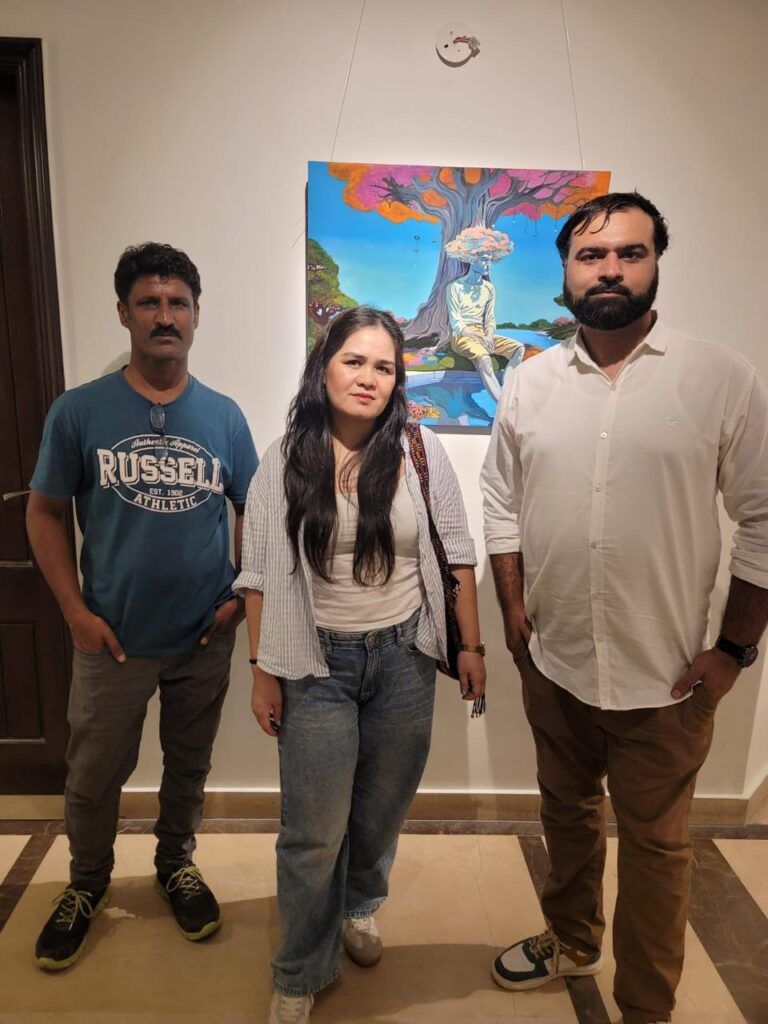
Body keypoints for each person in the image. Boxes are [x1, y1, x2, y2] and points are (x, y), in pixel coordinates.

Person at [480, 192, 768, 1024]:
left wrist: (733, 651)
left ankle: (645, 1007)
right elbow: (499, 502)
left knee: (657, 850)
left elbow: (763, 518)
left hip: (668, 677)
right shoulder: (530, 383)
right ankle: (572, 940)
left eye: (629, 253)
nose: (609, 269)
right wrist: (513, 609)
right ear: (566, 271)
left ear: (654, 264)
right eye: (591, 255)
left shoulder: (720, 379)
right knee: (566, 816)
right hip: (557, 662)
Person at [234, 305, 485, 1024]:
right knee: (313, 830)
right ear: (324, 368)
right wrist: (261, 670)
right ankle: (300, 969)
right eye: (354, 361)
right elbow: (258, 573)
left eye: (384, 366)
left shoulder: (418, 450)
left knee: (380, 809)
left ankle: (359, 905)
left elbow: (456, 552)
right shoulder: (286, 458)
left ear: (398, 379)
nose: (369, 377)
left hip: (404, 659)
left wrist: (470, 646)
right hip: (315, 666)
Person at [27, 243, 258, 970]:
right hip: (111, 639)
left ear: (196, 315)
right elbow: (43, 512)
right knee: (94, 773)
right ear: (124, 313)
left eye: (177, 303)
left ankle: (175, 864)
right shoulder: (79, 412)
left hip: (203, 637)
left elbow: (254, 508)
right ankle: (86, 884)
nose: (165, 316)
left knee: (188, 765)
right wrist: (74, 613)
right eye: (149, 303)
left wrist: (239, 597)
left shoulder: (223, 416)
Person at [443, 226, 525, 401]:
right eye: (483, 260)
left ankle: (506, 391)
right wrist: (478, 337)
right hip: (462, 337)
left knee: (519, 348)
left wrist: (488, 335)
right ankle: (501, 404)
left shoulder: (489, 288)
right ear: (472, 259)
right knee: (485, 359)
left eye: (489, 260)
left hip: (483, 334)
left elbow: (490, 319)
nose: (487, 264)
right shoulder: (454, 287)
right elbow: (457, 324)